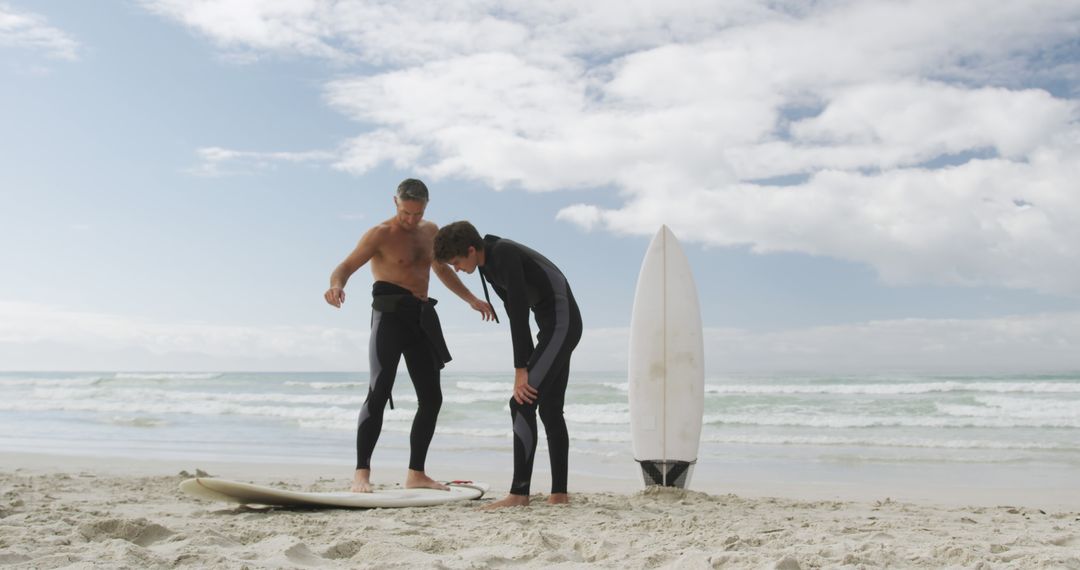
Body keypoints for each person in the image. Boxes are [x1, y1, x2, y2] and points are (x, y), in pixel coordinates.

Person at [324, 179, 495, 493]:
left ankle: (416, 473)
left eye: (418, 214)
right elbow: (346, 266)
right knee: (379, 391)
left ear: (426, 206)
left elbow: (442, 270)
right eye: (406, 213)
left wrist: (471, 299)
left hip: (420, 316)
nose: (411, 220)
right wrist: (337, 286)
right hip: (389, 314)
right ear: (395, 203)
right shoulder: (380, 234)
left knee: (432, 398)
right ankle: (361, 474)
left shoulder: (431, 232)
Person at [433, 221, 582, 508]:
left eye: (457, 262)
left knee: (521, 402)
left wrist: (520, 370)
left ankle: (519, 494)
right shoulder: (489, 265)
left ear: (471, 250)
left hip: (561, 323)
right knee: (549, 409)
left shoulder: (503, 254)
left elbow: (517, 312)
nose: (457, 269)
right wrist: (525, 363)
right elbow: (520, 310)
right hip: (554, 325)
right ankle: (559, 495)